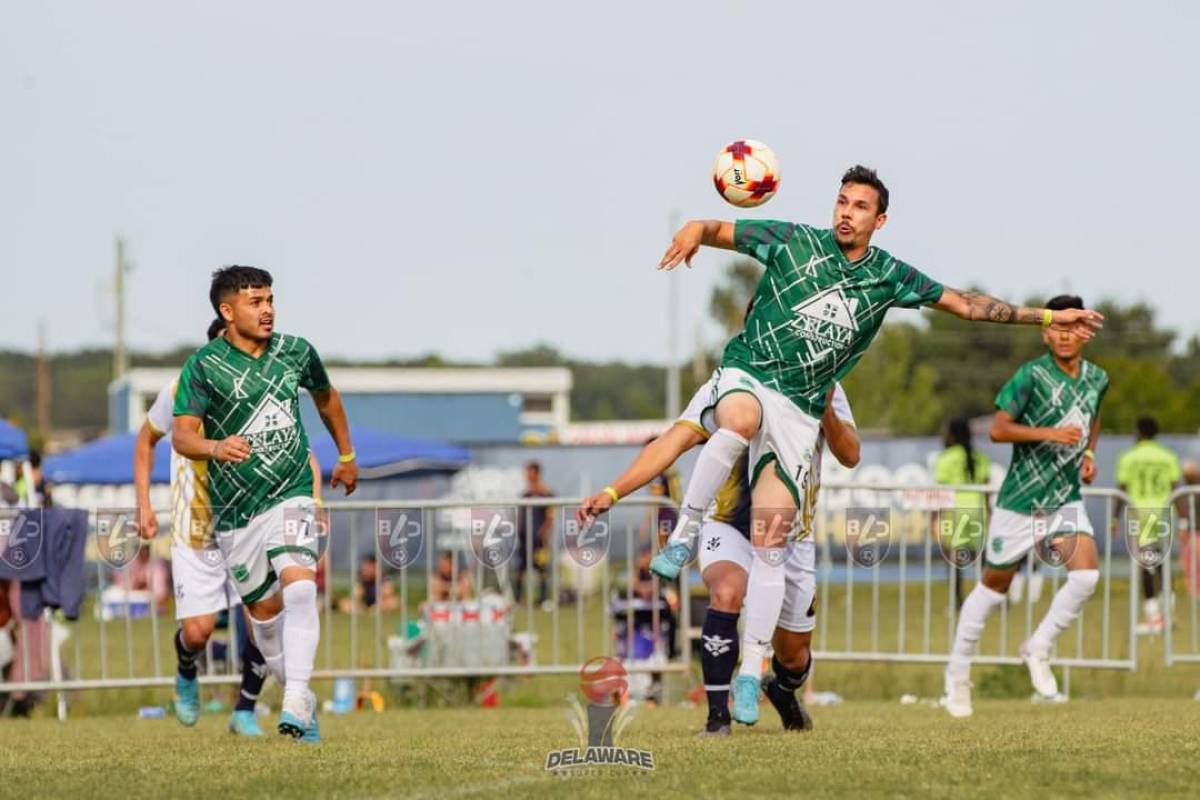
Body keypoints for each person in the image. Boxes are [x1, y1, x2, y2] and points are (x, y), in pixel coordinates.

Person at [650, 166, 1103, 707]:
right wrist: (693, 230)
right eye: (842, 201)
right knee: (738, 421)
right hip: (751, 375)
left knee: (772, 541)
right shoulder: (794, 240)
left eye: (860, 206)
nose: (846, 212)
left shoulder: (889, 275)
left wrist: (1042, 316)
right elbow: (718, 229)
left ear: (879, 219)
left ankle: (753, 671)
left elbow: (964, 304)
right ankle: (685, 536)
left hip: (801, 409)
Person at [579, 378, 858, 734]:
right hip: (728, 525)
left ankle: (781, 689)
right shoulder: (730, 379)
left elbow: (850, 455)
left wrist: (828, 410)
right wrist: (612, 492)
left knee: (794, 656)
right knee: (726, 593)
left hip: (788, 535)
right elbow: (673, 441)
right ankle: (717, 718)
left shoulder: (826, 377)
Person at [172, 266, 358, 743]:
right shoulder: (204, 366)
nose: (268, 309)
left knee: (300, 587)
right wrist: (215, 447)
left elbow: (327, 398)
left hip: (290, 492)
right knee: (266, 622)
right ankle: (301, 699)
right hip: (235, 513)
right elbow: (182, 434)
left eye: (270, 299)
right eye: (255, 302)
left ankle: (296, 694)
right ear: (227, 311)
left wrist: (347, 454)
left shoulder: (296, 351)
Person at [134, 317, 323, 734]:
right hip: (197, 527)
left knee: (265, 618)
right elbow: (145, 440)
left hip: (249, 518)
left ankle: (253, 707)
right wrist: (143, 504)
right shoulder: (181, 386)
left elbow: (297, 447)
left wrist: (315, 500)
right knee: (199, 633)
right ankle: (186, 668)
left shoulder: (260, 386)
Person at [942, 295, 1108, 717]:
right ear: (1045, 332)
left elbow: (1093, 419)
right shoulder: (1030, 375)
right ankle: (957, 676)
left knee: (1086, 576)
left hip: (1064, 498)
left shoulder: (1097, 379)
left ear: (1085, 331)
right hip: (1020, 500)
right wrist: (1051, 434)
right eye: (1057, 328)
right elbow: (998, 431)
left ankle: (1039, 646)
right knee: (993, 589)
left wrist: (1088, 456)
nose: (1064, 335)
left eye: (1072, 328)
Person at [1115, 416, 1182, 634]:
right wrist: (1183, 518)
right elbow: (1176, 487)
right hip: (1163, 513)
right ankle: (1166, 609)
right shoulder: (1167, 456)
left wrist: (1114, 518)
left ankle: (1154, 615)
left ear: (1139, 432)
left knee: (1145, 564)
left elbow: (1121, 489)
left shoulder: (1129, 456)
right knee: (1159, 561)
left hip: (1139, 514)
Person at [933, 418, 992, 609]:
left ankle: (957, 601)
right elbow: (986, 489)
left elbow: (941, 492)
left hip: (955, 510)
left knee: (954, 560)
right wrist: (989, 513)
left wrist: (935, 517)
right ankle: (989, 599)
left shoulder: (946, 458)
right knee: (982, 560)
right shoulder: (981, 457)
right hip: (977, 510)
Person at [515, 461, 554, 610]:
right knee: (520, 570)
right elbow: (520, 513)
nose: (527, 475)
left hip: (539, 540)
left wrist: (544, 532)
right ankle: (518, 600)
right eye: (526, 472)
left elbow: (551, 516)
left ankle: (543, 600)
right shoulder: (525, 494)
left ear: (537, 473)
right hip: (524, 539)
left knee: (542, 569)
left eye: (530, 472)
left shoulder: (546, 493)